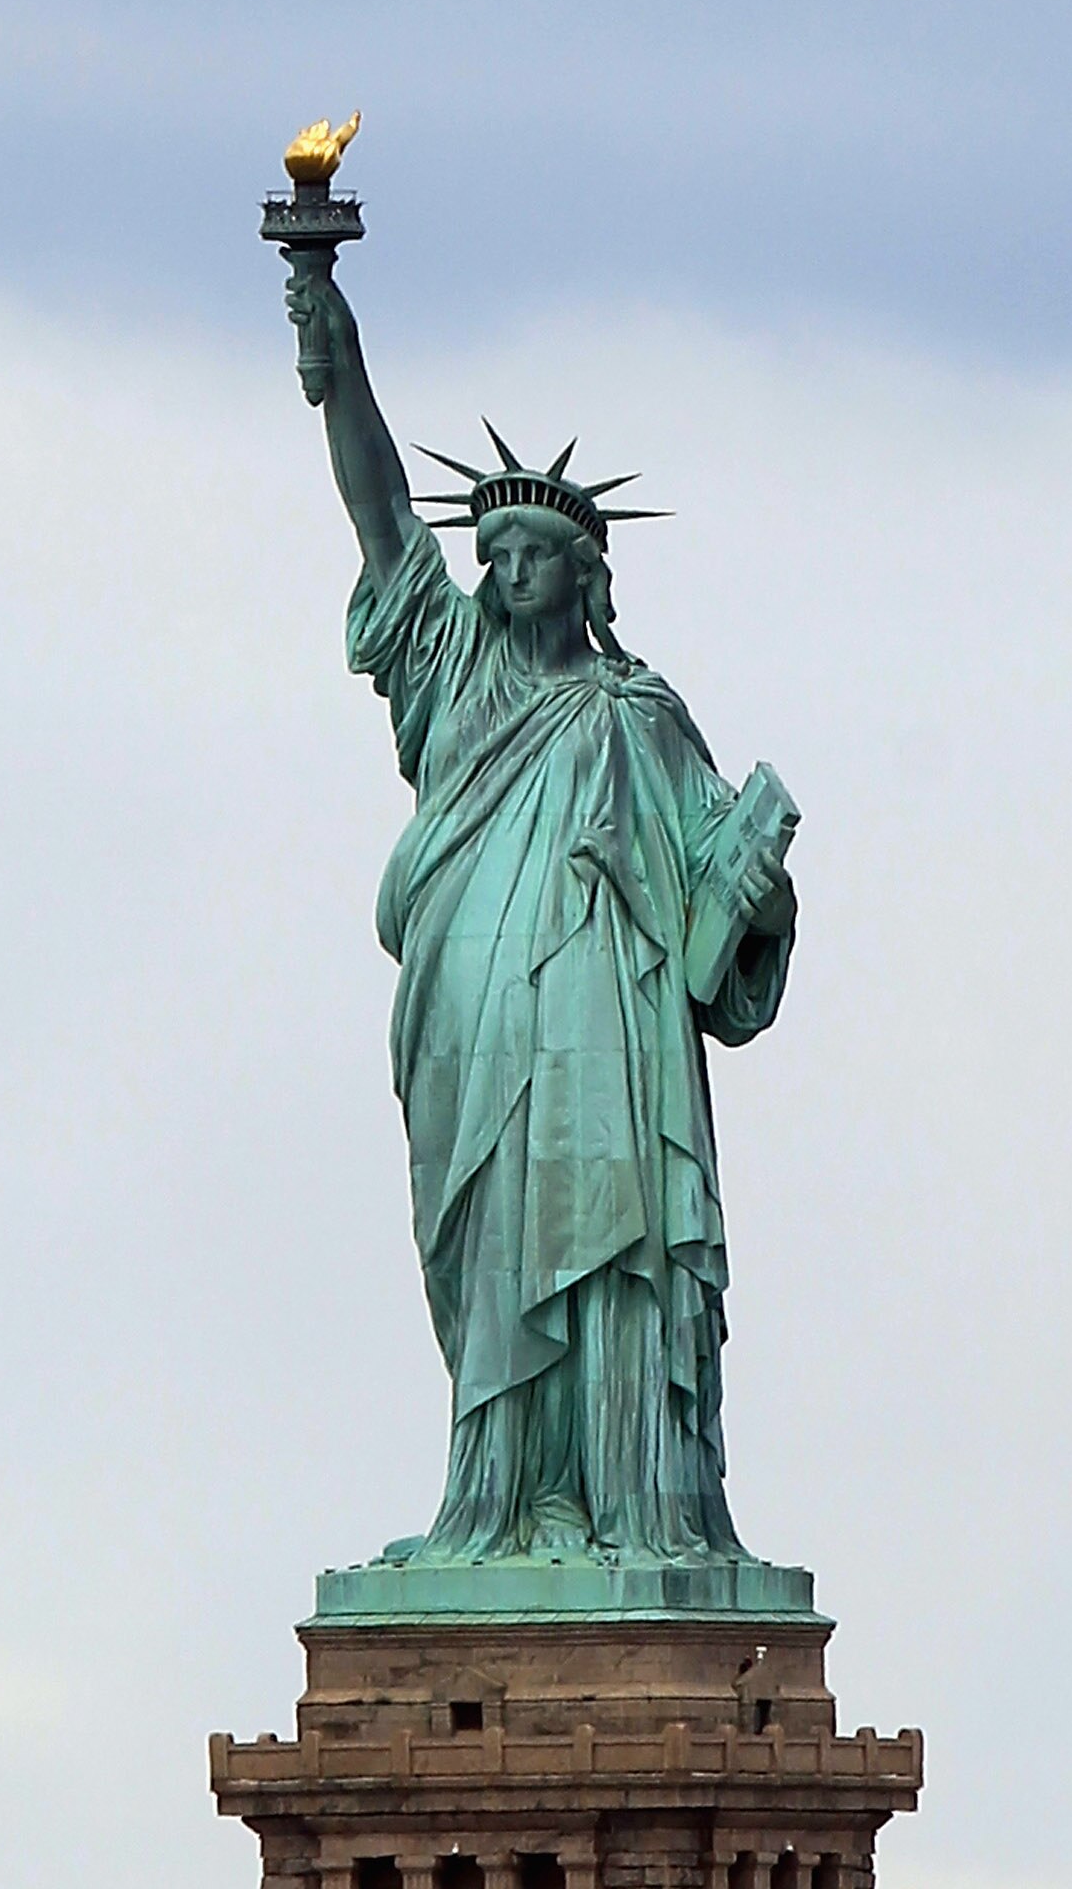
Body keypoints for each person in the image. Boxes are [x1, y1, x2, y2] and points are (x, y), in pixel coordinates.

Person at [285, 260, 798, 1565]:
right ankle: (501, 1505)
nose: (503, 572)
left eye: (530, 557)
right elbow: (379, 511)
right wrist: (328, 336)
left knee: (609, 1246)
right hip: (470, 1012)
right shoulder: (448, 668)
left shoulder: (639, 717)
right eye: (492, 555)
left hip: (604, 1032)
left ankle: (629, 1505)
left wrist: (757, 890)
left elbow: (711, 926)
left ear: (584, 580)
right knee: (492, 1245)